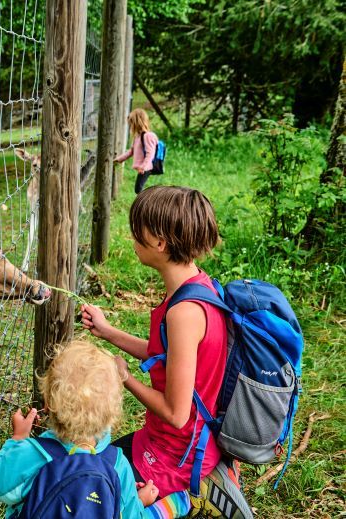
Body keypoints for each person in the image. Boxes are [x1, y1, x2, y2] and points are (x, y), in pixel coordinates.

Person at [81, 186, 249, 517]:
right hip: (164, 439)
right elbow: (168, 357)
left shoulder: (183, 313)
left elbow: (176, 412)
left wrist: (124, 377)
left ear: (160, 242)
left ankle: (192, 495)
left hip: (177, 454)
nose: (132, 238)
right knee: (91, 468)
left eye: (136, 232)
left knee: (88, 495)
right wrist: (108, 332)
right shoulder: (199, 286)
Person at [0, 340, 192, 519]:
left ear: (47, 403)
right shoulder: (118, 464)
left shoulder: (33, 452)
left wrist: (18, 440)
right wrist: (137, 500)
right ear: (113, 414)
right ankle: (180, 502)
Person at [114, 108, 159, 194]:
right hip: (143, 167)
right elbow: (131, 151)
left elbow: (150, 153)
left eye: (131, 123)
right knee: (138, 189)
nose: (130, 126)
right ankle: (145, 203)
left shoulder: (147, 136)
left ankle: (146, 203)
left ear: (137, 123)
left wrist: (143, 166)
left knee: (138, 189)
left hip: (146, 167)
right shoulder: (138, 137)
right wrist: (119, 159)